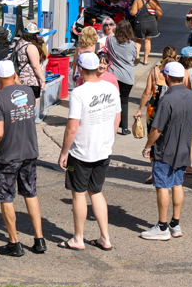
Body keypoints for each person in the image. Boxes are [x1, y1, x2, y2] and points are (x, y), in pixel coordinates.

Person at [0, 59, 46, 256]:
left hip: (8, 155)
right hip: (29, 151)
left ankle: (14, 242)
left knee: (6, 197)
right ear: (14, 74)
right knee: (30, 193)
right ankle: (39, 239)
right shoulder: (27, 91)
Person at [57, 52, 120, 251]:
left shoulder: (79, 92)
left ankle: (78, 238)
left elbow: (72, 127)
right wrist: (109, 139)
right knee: (97, 192)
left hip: (82, 152)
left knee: (79, 193)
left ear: (81, 69)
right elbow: (117, 117)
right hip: (103, 149)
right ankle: (105, 237)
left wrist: (63, 152)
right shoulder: (111, 87)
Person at [140, 61, 192, 241]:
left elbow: (156, 129)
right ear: (183, 76)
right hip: (184, 148)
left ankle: (162, 227)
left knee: (162, 186)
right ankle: (175, 224)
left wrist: (147, 147)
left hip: (165, 149)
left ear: (166, 77)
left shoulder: (166, 100)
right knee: (177, 184)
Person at [105, 19, 138, 135]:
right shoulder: (132, 44)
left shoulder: (110, 40)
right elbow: (134, 57)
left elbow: (107, 51)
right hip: (127, 76)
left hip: (113, 75)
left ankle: (110, 123)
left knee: (112, 100)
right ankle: (124, 127)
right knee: (124, 101)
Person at [129, 0, 162, 65]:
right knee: (148, 41)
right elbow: (160, 13)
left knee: (138, 41)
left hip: (140, 24)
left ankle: (137, 56)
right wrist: (155, 19)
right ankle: (146, 60)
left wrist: (130, 9)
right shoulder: (154, 1)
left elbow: (133, 13)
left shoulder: (137, 0)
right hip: (151, 24)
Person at [12, 22, 47, 94]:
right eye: (37, 33)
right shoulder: (30, 47)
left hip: (19, 79)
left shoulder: (19, 43)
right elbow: (35, 66)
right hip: (31, 81)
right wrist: (43, 80)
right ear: (34, 34)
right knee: (33, 103)